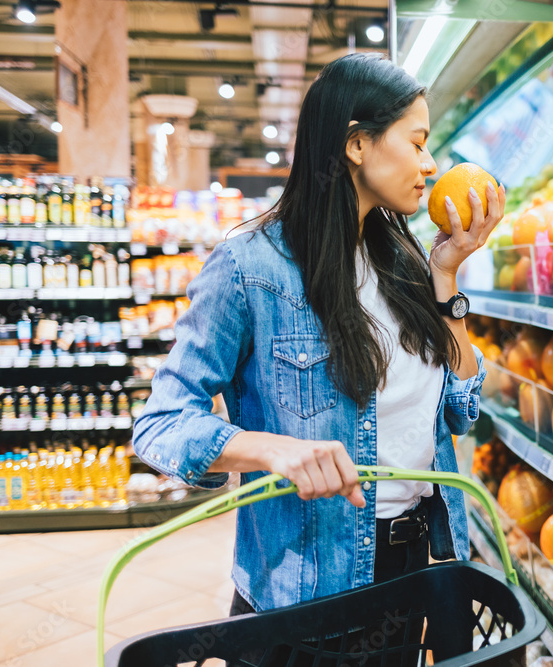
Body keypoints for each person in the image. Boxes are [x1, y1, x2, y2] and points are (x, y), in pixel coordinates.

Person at [132, 53, 503, 617]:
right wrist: (271, 450)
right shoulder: (249, 268)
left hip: (411, 571)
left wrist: (446, 274)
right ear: (357, 145)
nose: (430, 163)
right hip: (304, 587)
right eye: (417, 141)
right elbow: (160, 424)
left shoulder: (403, 262)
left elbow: (459, 411)